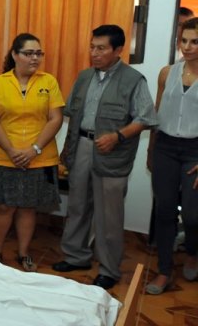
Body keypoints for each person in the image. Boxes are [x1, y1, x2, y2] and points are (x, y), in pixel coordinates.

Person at [52, 25, 158, 290]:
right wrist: (67, 150)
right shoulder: (84, 76)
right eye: (92, 47)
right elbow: (73, 115)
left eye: (101, 48)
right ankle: (76, 256)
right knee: (77, 206)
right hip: (81, 147)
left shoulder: (133, 80)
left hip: (112, 152)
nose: (95, 53)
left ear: (118, 50)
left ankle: (109, 269)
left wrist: (118, 136)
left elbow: (145, 118)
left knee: (109, 215)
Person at [0, 33, 64, 271]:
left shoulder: (49, 82)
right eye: (29, 53)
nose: (35, 58)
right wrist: (11, 150)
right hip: (3, 156)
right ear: (15, 55)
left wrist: (34, 149)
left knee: (28, 206)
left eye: (39, 53)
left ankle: (23, 253)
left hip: (39, 157)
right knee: (3, 206)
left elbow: (56, 119)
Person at [145, 17, 198, 294]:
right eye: (184, 41)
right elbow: (157, 112)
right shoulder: (167, 73)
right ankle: (164, 271)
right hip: (165, 147)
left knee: (192, 215)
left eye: (194, 42)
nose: (187, 47)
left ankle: (192, 252)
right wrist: (151, 150)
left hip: (195, 152)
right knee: (164, 211)